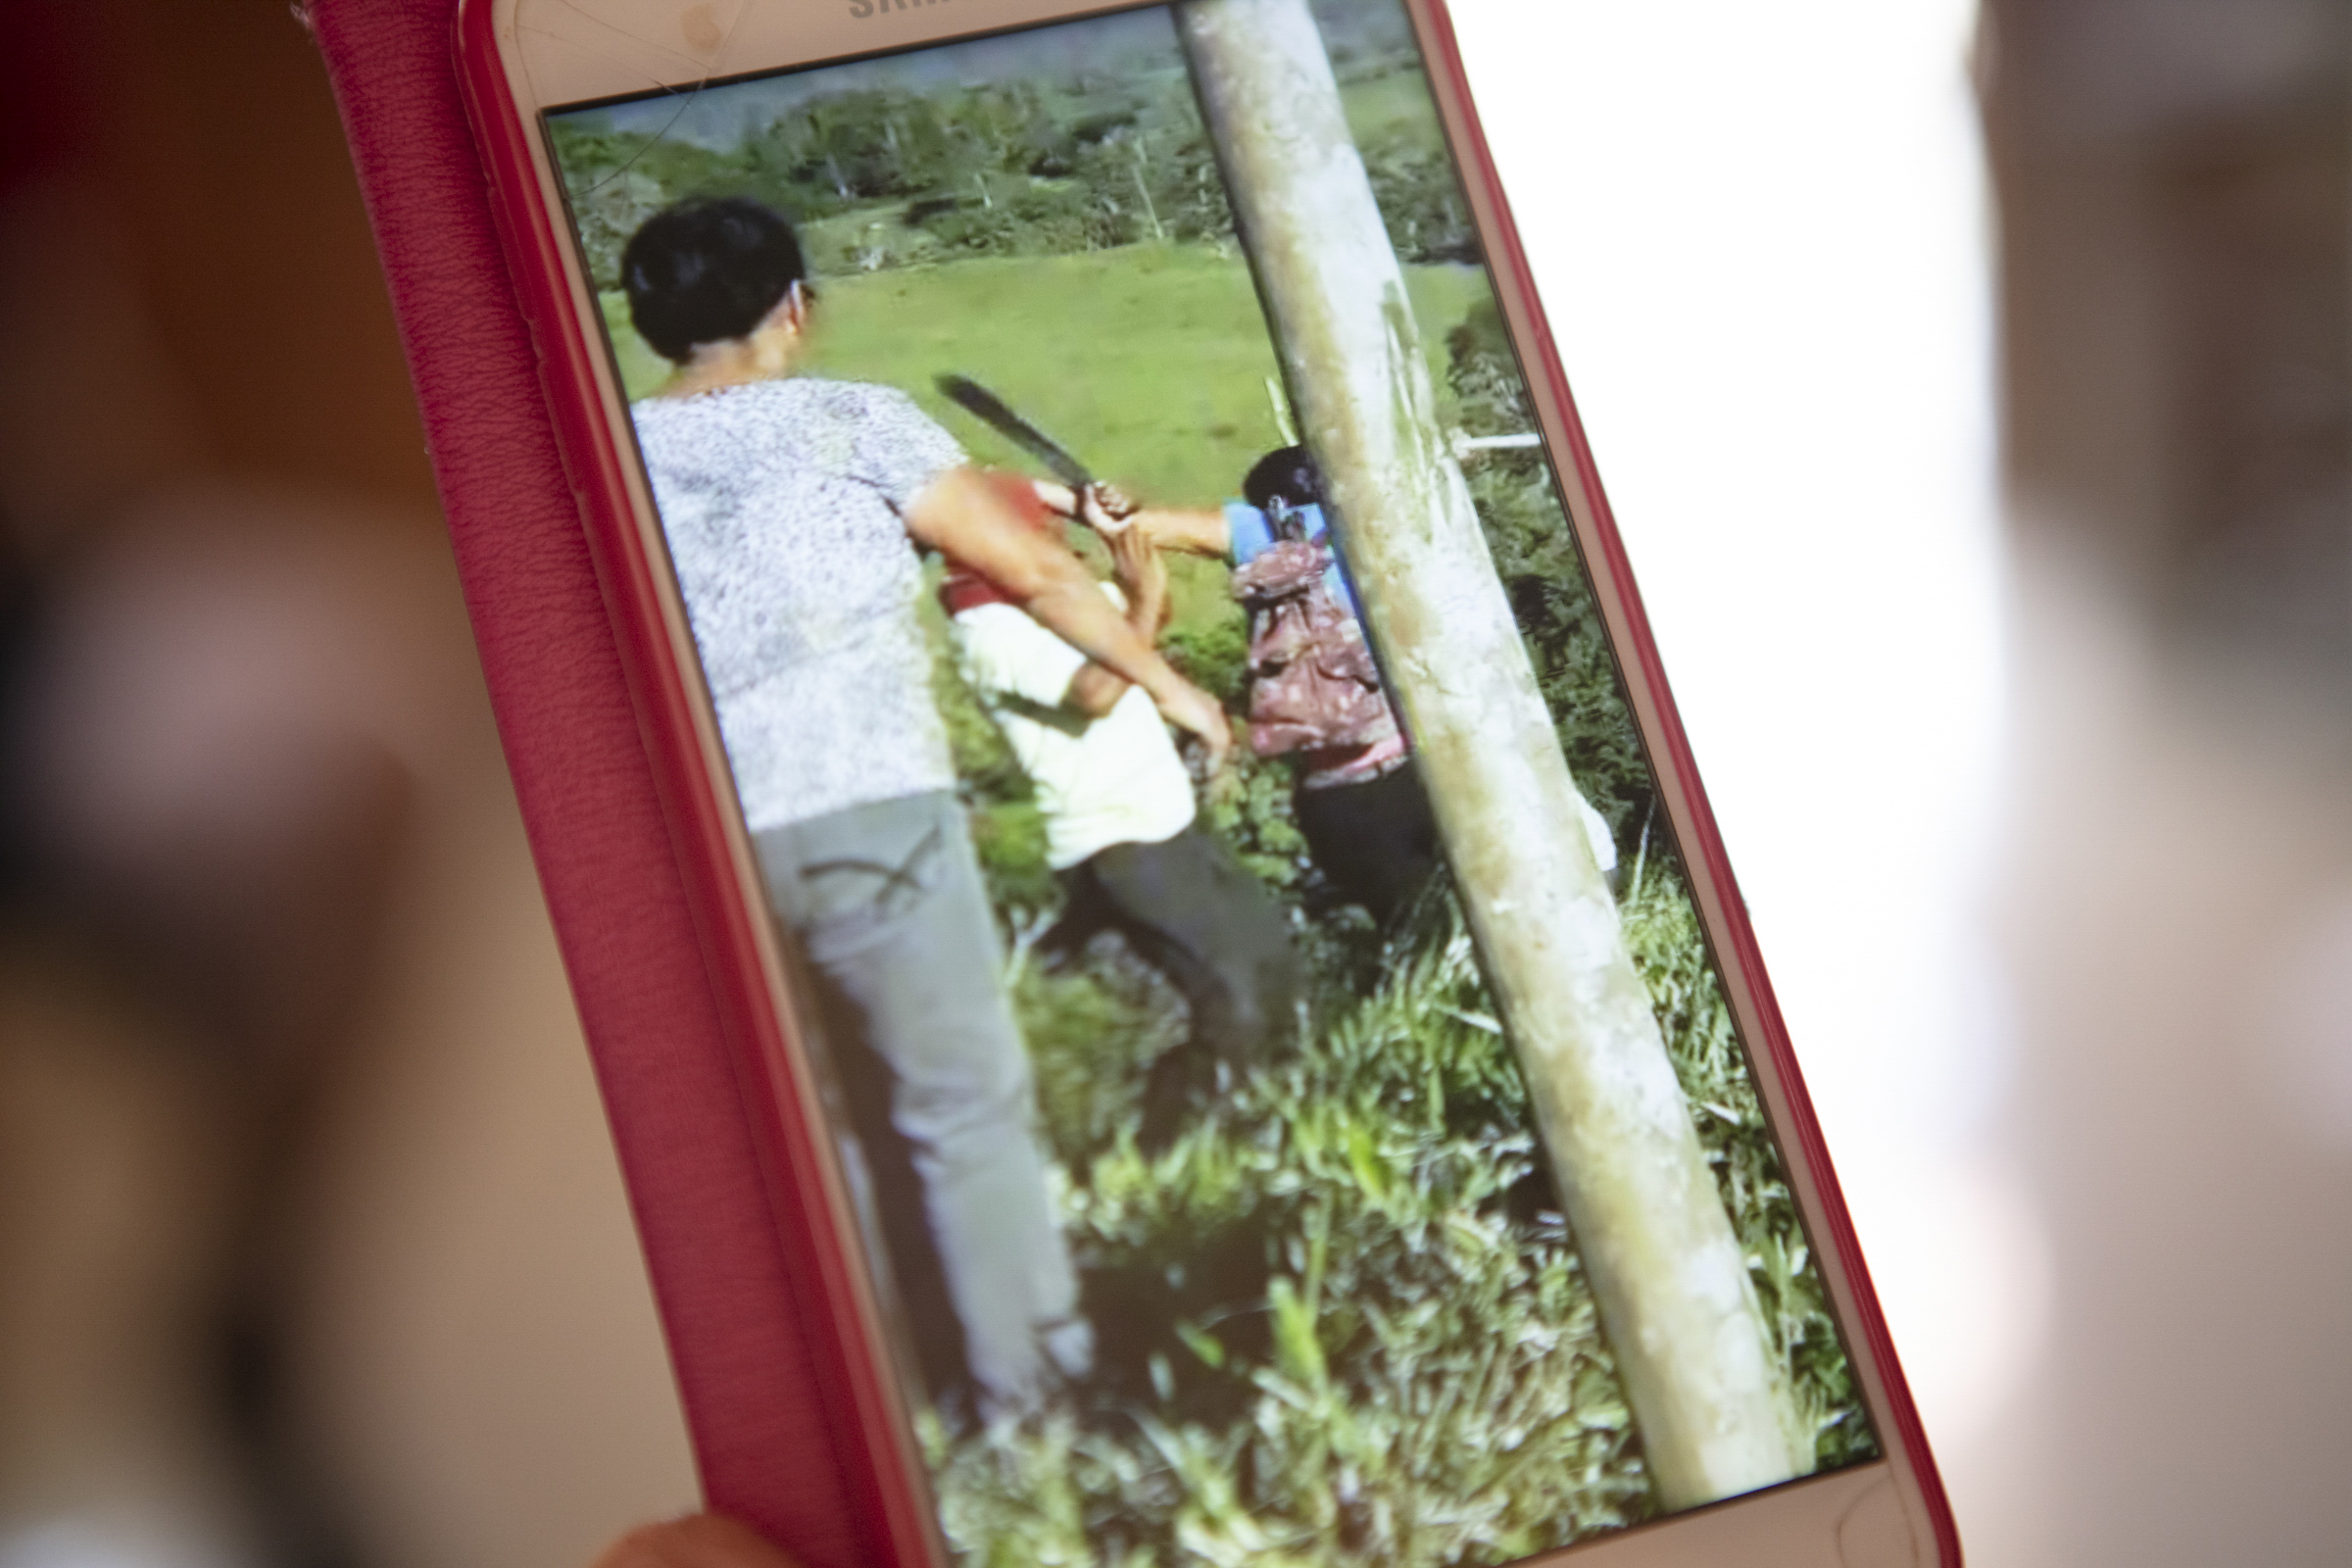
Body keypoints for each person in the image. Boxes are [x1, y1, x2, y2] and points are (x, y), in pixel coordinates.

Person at [617, 195, 1230, 1418]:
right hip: (865, 810)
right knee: (958, 1109)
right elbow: (1036, 577)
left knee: (807, 1136)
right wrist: (1176, 687)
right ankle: (1034, 1408)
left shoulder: (611, 448)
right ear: (795, 307)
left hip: (688, 847)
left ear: (648, 325)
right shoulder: (851, 417)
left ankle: (882, 1409)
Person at [940, 474, 1302, 1146]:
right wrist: (1145, 594)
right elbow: (1099, 688)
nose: (1060, 543)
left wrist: (1123, 548)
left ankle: (1231, 1127)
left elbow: (1136, 640)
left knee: (1271, 966)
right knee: (1231, 1000)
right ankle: (1176, 1151)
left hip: (1164, 817)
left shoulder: (1058, 596)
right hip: (1116, 840)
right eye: (1045, 532)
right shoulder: (988, 628)